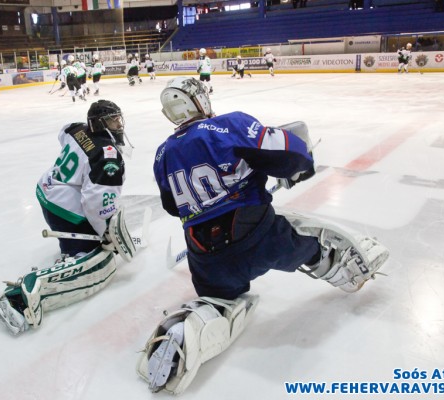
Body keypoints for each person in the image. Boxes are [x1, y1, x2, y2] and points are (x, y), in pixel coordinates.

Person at [136, 77, 389, 394]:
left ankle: (194, 325)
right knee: (302, 246)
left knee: (218, 298)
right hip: (258, 236)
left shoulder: (163, 154)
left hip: (204, 258)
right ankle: (338, 266)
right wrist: (298, 166)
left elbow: (173, 206)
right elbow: (288, 150)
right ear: (199, 101)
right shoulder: (228, 126)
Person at [0, 100, 136, 335]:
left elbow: (63, 131)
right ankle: (26, 294)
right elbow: (96, 202)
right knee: (97, 255)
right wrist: (106, 233)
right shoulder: (107, 157)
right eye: (112, 120)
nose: (118, 125)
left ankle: (72, 244)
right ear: (99, 123)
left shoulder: (76, 129)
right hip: (64, 211)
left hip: (46, 192)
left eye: (118, 119)